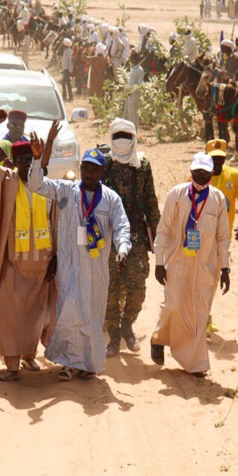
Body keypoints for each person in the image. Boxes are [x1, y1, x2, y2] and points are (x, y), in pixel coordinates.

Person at [26, 144, 131, 380]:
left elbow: (122, 226)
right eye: (86, 169)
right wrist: (36, 159)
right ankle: (68, 362)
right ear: (81, 169)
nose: (89, 174)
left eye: (95, 170)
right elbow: (36, 185)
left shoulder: (111, 199)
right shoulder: (66, 191)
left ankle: (88, 364)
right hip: (70, 267)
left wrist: (123, 249)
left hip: (96, 270)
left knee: (92, 315)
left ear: (102, 173)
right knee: (70, 310)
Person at [0, 111, 58, 380]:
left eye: (28, 160)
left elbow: (55, 223)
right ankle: (11, 365)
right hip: (11, 265)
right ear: (12, 161)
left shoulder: (46, 186)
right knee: (8, 315)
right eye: (19, 160)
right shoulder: (3, 180)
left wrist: (55, 258)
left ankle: (28, 356)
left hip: (41, 267)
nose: (23, 165)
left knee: (34, 318)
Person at [151, 152, 230, 376]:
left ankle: (195, 363)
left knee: (199, 314)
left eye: (206, 173)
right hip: (178, 260)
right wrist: (159, 262)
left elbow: (223, 236)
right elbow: (163, 229)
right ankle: (159, 338)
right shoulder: (176, 194)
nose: (201, 177)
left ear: (212, 174)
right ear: (191, 172)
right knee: (174, 304)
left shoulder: (217, 198)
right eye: (197, 173)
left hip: (206, 265)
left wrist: (225, 267)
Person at [102, 118, 161, 356]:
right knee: (110, 289)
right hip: (108, 238)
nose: (122, 141)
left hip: (136, 238)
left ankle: (127, 326)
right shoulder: (103, 164)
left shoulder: (143, 165)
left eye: (126, 135)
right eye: (117, 136)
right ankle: (114, 336)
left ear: (135, 137)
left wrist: (158, 238)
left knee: (137, 287)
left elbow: (151, 202)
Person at [205, 138, 238, 237]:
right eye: (213, 157)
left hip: (224, 235)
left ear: (225, 156)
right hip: (201, 234)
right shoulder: (196, 178)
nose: (217, 161)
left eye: (220, 157)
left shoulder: (235, 176)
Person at [124, 51, 144, 126]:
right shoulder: (133, 69)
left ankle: (134, 131)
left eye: (132, 59)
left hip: (135, 95)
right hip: (129, 95)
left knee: (134, 115)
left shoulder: (140, 70)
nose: (131, 61)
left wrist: (130, 90)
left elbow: (139, 85)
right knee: (128, 114)